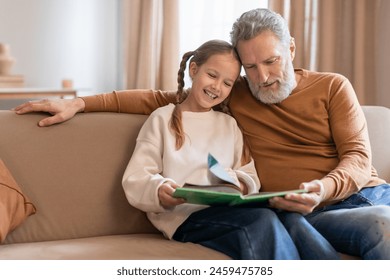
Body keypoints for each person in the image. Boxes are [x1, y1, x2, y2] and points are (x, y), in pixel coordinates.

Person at [13, 8, 390, 259]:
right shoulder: (234, 95)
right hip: (297, 215)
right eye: (250, 67)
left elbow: (358, 159)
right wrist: (80, 104)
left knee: (381, 224)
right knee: (281, 224)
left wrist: (322, 189)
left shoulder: (332, 87)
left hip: (357, 199)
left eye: (272, 61)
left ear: (290, 48)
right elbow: (162, 99)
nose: (262, 78)